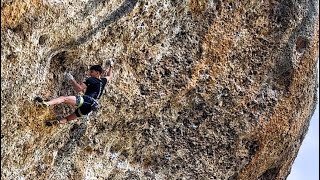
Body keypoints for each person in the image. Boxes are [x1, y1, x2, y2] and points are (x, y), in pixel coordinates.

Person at [35, 60, 114, 126]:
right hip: (90, 108)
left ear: (98, 73)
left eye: (92, 72)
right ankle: (58, 122)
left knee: (63, 98)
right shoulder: (103, 81)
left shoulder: (91, 79)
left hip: (86, 100)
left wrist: (71, 79)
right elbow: (110, 76)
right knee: (68, 118)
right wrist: (111, 66)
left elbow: (79, 89)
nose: (90, 74)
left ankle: (46, 104)